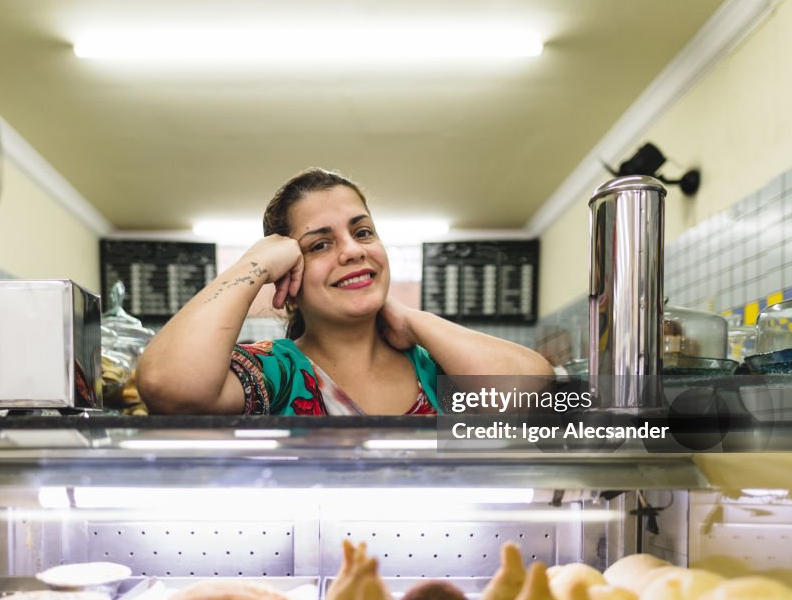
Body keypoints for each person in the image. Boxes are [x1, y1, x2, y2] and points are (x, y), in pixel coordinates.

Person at [137, 168, 553, 415]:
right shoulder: (276, 370)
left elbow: (536, 396)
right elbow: (167, 386)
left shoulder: (440, 366)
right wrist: (256, 263)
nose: (353, 250)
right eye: (320, 244)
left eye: (362, 231)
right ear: (289, 280)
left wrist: (412, 318)